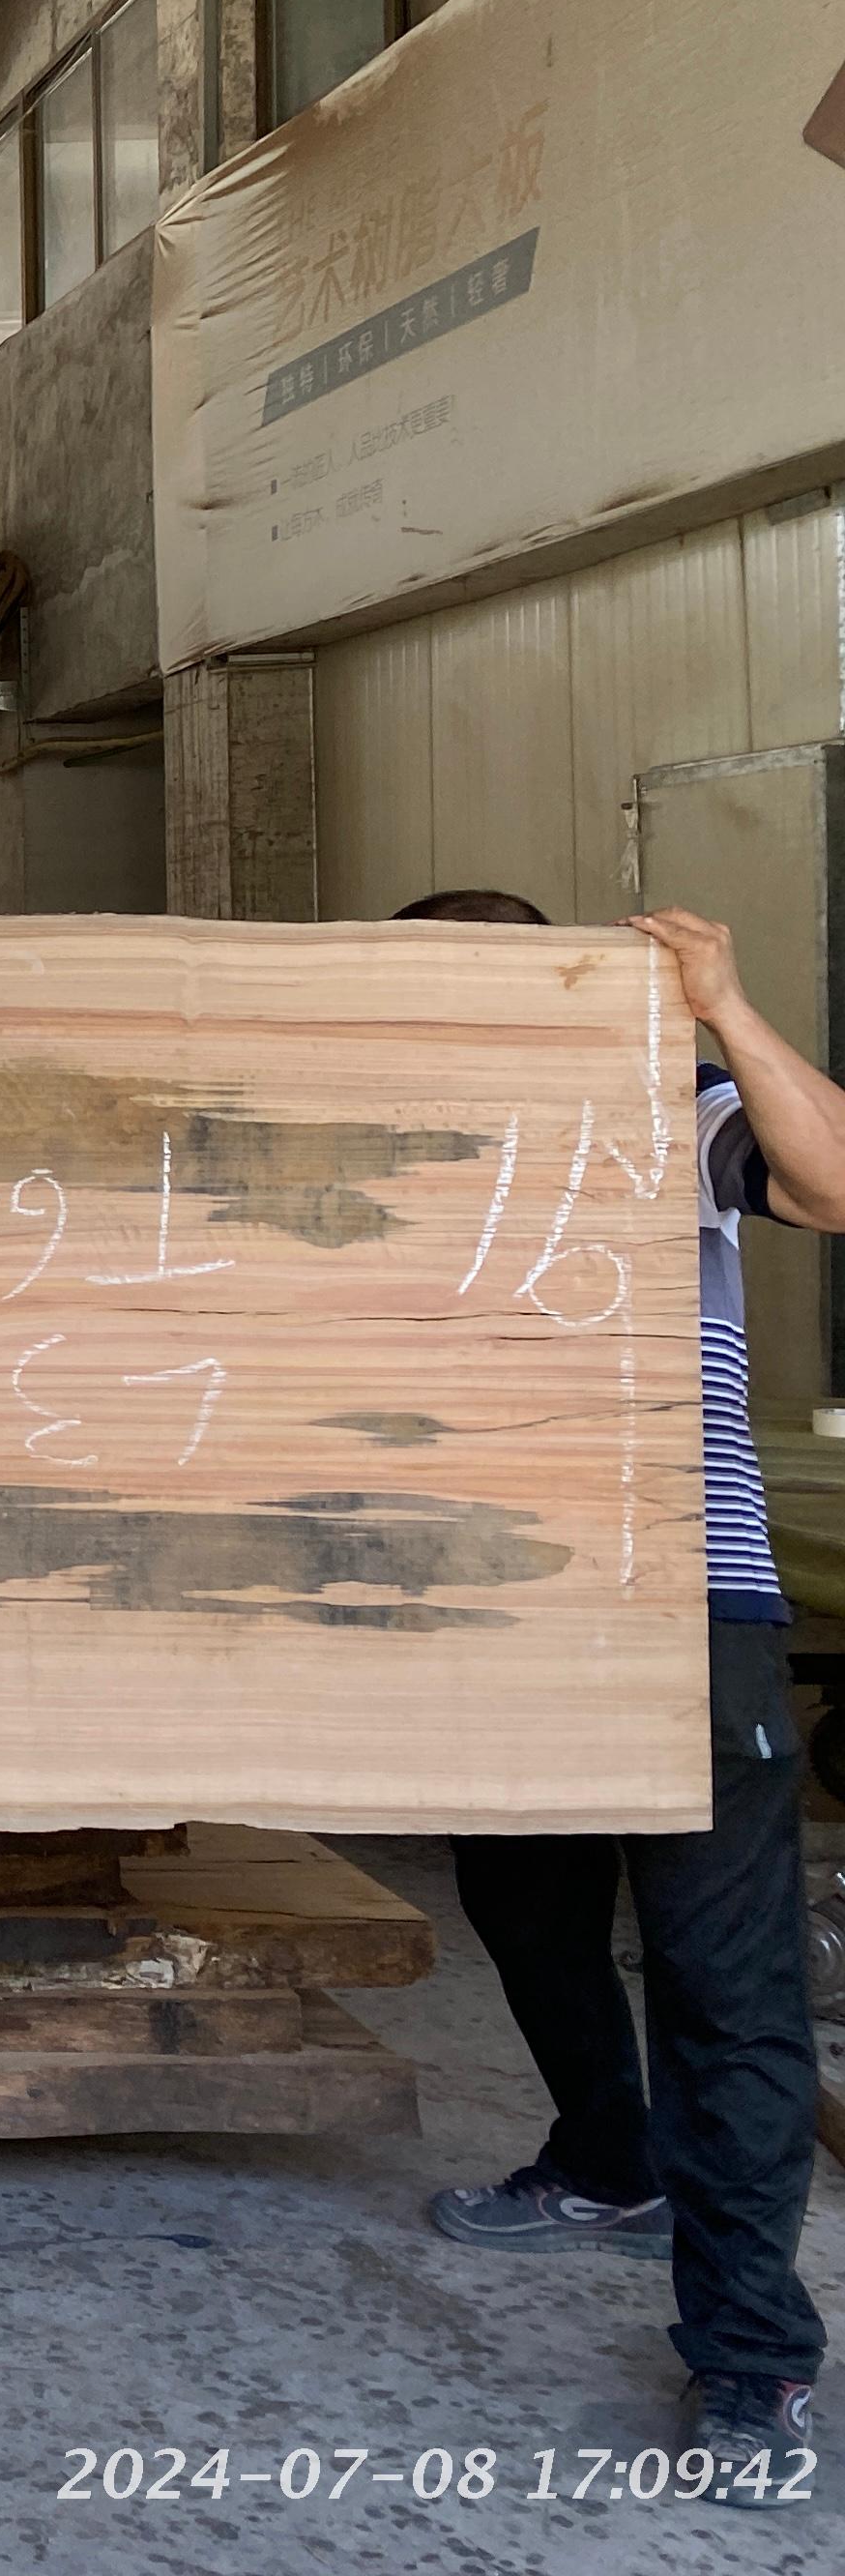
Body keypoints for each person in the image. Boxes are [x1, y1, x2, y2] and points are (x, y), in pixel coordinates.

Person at [397, 887, 826, 2501]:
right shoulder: (397, 1143)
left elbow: (835, 1183)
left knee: (723, 1988)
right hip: (491, 1607)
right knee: (528, 1913)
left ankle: (752, 2359)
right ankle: (605, 2156)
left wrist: (724, 1006)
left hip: (685, 1607)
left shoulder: (679, 1109)